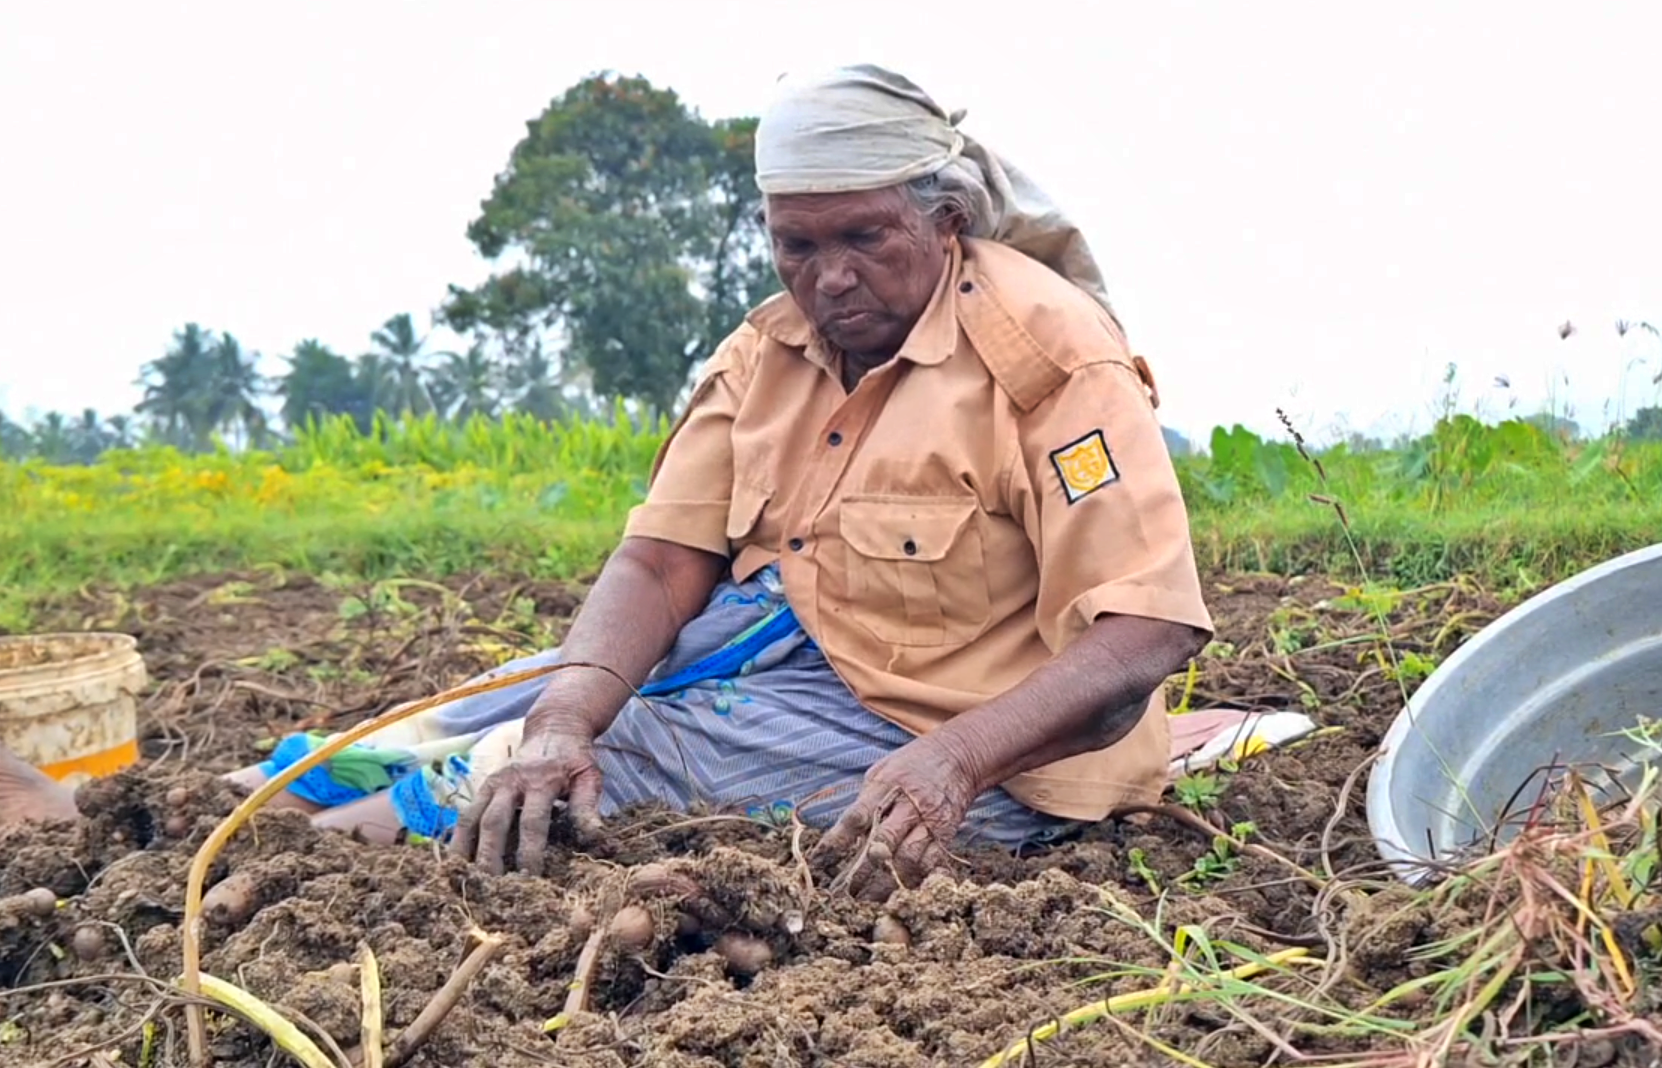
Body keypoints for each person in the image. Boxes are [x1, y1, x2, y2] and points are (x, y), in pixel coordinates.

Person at [0, 64, 1312, 900]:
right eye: (799, 247)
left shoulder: (1047, 357)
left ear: (944, 218)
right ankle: (166, 821)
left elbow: (1141, 633)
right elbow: (659, 563)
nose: (830, 279)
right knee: (502, 710)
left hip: (972, 737)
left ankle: (221, 887)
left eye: (866, 240)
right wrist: (567, 706)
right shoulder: (770, 346)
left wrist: (952, 763)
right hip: (794, 644)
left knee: (604, 758)